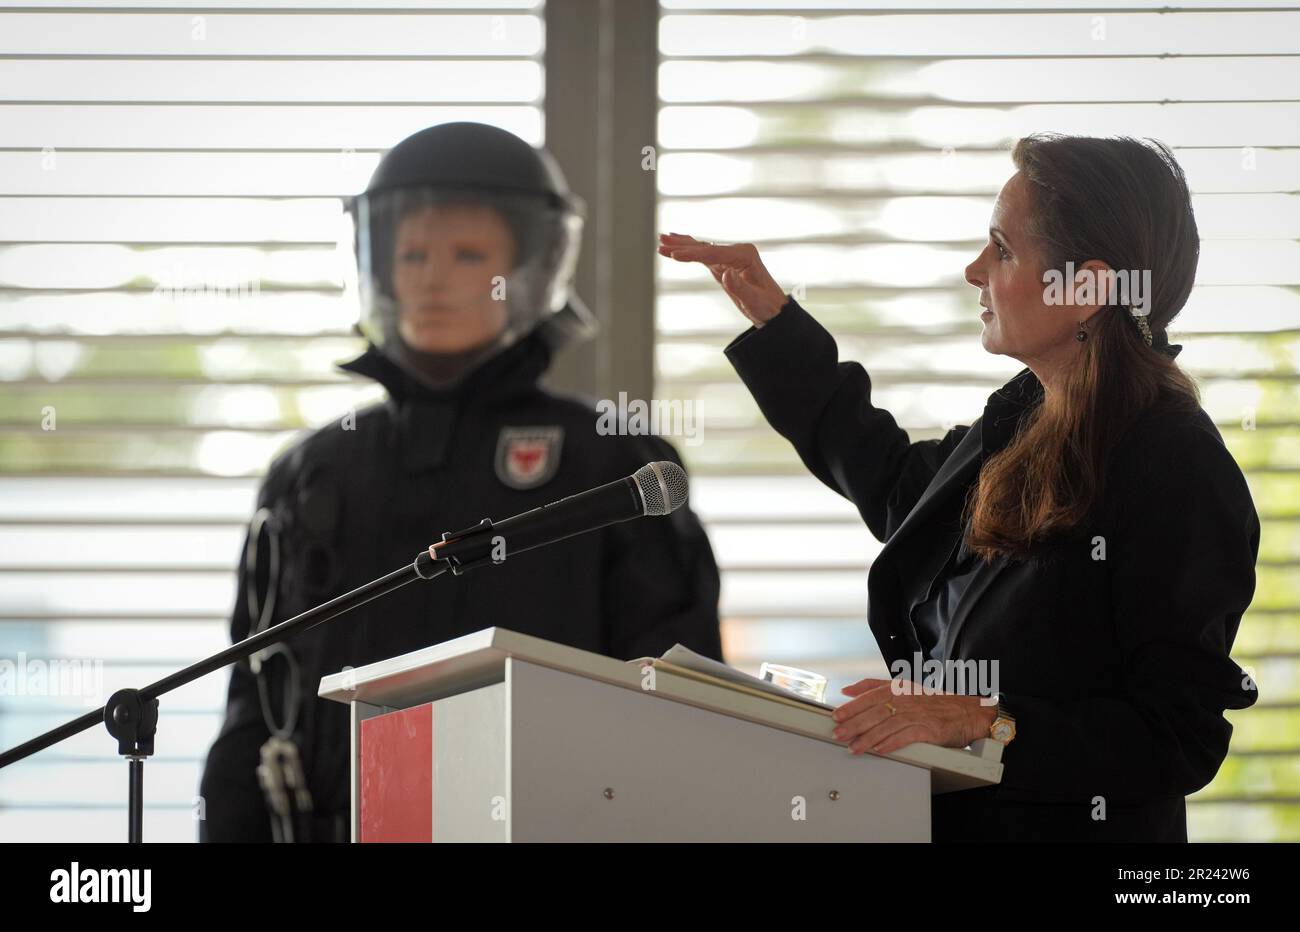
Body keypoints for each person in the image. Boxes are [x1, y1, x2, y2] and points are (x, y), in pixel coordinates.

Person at [659, 133, 1260, 842]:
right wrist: (775, 322)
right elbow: (895, 486)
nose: (974, 270)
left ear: (1088, 289)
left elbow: (1177, 733)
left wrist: (985, 720)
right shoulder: (1019, 422)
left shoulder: (1176, 465)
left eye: (1002, 249)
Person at [199, 122, 723, 842]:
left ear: (533, 269)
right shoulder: (311, 470)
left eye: (470, 254)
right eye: (411, 253)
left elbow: (679, 706)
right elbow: (252, 712)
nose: (433, 277)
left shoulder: (613, 461)